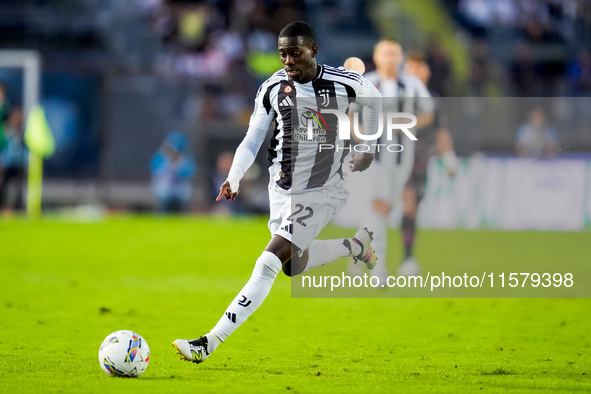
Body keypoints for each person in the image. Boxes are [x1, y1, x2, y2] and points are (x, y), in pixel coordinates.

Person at [173, 21, 382, 364]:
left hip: (324, 188)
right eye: (283, 53)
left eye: (295, 53)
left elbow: (376, 104)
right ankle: (356, 246)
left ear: (313, 51)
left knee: (268, 262)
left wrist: (370, 146)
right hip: (282, 188)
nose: (288, 60)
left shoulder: (346, 82)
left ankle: (208, 342)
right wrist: (235, 176)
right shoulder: (272, 88)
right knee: (292, 266)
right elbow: (253, 138)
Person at [354, 40, 434, 285]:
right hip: (374, 156)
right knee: (379, 208)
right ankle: (378, 270)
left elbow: (428, 113)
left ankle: (355, 250)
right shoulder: (366, 83)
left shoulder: (412, 84)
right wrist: (361, 135)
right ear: (377, 57)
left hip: (403, 158)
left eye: (394, 54)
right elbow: (349, 113)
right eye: (386, 54)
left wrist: (410, 123)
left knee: (384, 211)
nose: (391, 58)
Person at [397, 53, 458, 276]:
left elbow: (441, 131)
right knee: (403, 203)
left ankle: (407, 257)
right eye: (412, 68)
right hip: (395, 158)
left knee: (412, 209)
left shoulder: (433, 100)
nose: (418, 72)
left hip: (421, 161)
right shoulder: (395, 95)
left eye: (421, 68)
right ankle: (406, 259)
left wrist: (449, 157)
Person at [149, 131, 197, 212]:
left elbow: (189, 173)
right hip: (165, 191)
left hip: (180, 191)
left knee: (185, 193)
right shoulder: (160, 157)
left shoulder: (185, 160)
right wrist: (169, 162)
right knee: (163, 194)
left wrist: (177, 164)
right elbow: (155, 170)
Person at [0, 107, 27, 211]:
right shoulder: (6, 130)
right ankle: (3, 206)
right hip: (7, 164)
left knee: (18, 188)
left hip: (20, 164)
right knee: (4, 186)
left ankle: (16, 207)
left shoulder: (22, 132)